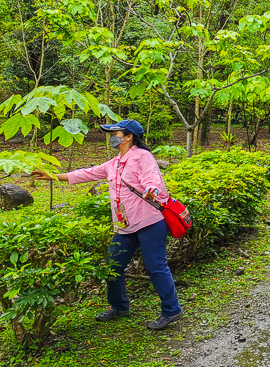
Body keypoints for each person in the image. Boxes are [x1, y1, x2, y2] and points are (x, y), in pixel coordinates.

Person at [32, 119, 183, 330]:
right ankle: (119, 307)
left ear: (128, 136)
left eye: (116, 133)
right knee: (112, 266)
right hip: (125, 226)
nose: (112, 137)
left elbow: (152, 179)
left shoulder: (142, 156)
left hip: (149, 221)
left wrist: (152, 191)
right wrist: (53, 177)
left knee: (156, 267)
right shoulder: (114, 163)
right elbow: (86, 173)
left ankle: (172, 310)